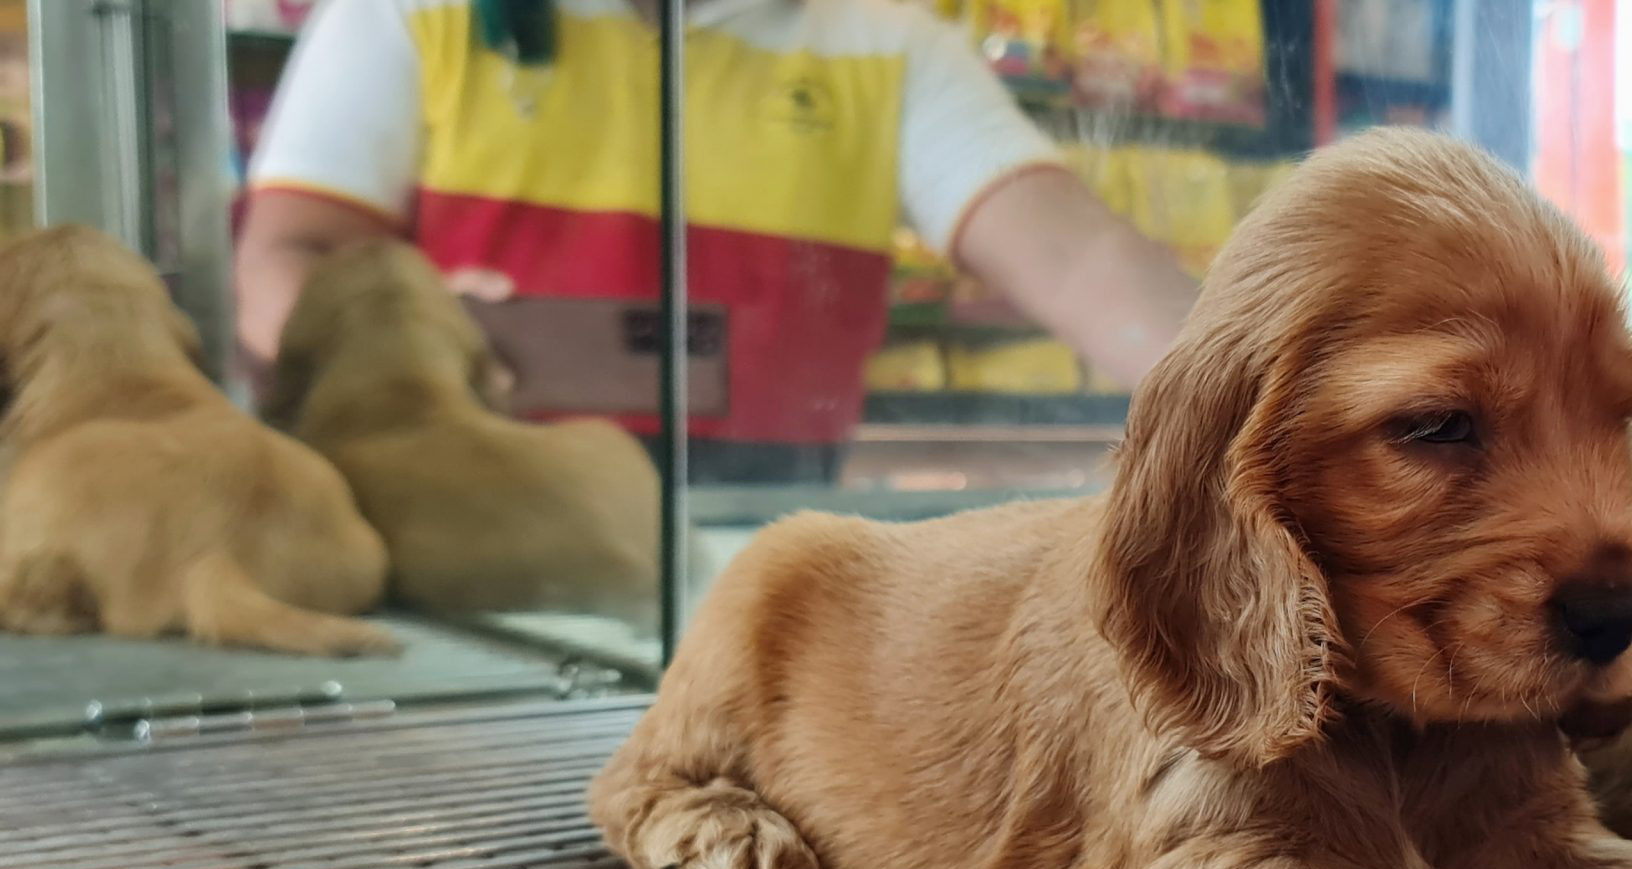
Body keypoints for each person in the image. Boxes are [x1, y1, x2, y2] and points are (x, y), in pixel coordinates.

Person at [237, 0, 1198, 464]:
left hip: (755, 545)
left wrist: (1255, 393)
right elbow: (284, 257)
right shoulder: (414, 11)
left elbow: (1078, 257)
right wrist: (409, 335)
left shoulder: (885, 42)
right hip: (463, 523)